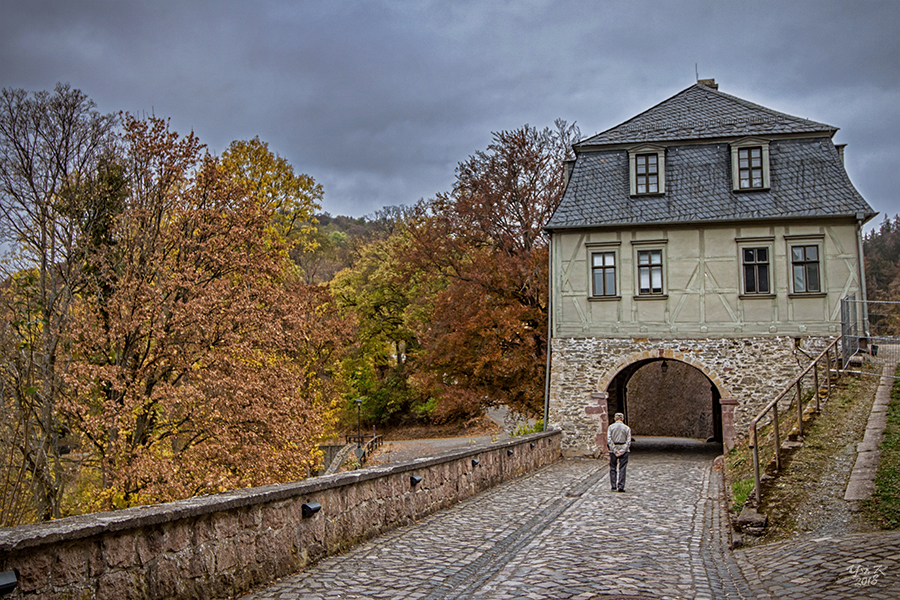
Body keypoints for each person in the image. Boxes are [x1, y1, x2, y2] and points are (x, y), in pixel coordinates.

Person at [607, 412, 631, 492]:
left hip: (613, 450)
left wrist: (614, 450)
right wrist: (622, 450)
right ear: (623, 419)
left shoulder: (611, 427)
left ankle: (613, 485)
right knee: (622, 468)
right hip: (624, 449)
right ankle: (621, 486)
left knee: (613, 467)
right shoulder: (627, 428)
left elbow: (609, 439)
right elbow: (628, 441)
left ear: (614, 419)